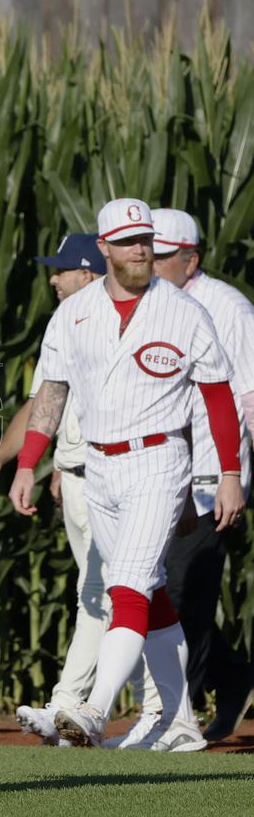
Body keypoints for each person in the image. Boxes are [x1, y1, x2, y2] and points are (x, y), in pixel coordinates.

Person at [9, 198, 245, 749]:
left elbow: (217, 398)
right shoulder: (74, 311)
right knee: (152, 594)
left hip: (159, 460)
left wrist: (229, 472)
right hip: (99, 466)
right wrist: (26, 464)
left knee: (128, 586)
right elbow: (52, 392)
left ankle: (92, 710)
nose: (142, 249)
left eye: (147, 240)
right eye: (129, 241)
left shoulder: (186, 311)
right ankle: (181, 723)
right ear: (105, 247)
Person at [106, 207, 254, 747]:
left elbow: (247, 397)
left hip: (214, 475)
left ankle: (175, 717)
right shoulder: (150, 306)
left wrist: (238, 476)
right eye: (146, 247)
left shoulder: (227, 308)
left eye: (162, 253)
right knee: (156, 581)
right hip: (160, 471)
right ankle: (232, 675)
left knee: (182, 588)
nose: (149, 258)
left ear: (190, 259)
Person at [0, 233, 109, 745]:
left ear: (90, 273)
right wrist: (10, 460)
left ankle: (75, 707)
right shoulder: (66, 323)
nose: (51, 278)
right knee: (99, 594)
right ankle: (84, 709)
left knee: (110, 595)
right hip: (73, 479)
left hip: (113, 479)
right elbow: (43, 404)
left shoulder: (122, 322)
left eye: (62, 269)